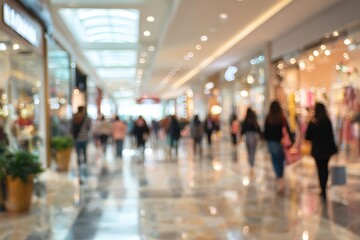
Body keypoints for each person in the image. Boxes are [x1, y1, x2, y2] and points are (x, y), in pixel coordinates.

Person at [305, 102, 338, 201]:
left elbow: (308, 137)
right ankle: (324, 187)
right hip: (327, 149)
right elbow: (331, 136)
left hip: (317, 150)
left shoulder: (313, 122)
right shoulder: (327, 121)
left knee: (320, 169)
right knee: (325, 167)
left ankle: (322, 189)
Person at [264, 101, 293, 194]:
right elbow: (288, 130)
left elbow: (266, 133)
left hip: (272, 143)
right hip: (282, 144)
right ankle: (281, 179)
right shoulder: (282, 118)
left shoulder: (268, 118)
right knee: (281, 162)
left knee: (275, 162)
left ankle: (279, 179)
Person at [241, 108, 262, 174]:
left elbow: (243, 129)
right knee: (253, 151)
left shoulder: (246, 120)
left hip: (247, 137)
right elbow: (258, 129)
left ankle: (250, 163)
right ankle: (251, 163)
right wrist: (261, 136)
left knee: (249, 151)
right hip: (253, 137)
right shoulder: (254, 120)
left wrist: (241, 136)